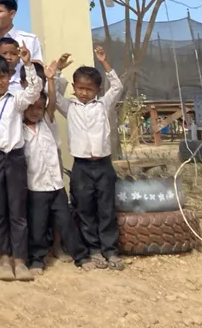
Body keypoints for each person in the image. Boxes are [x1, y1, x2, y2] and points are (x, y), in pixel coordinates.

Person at [53, 46, 125, 270]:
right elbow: (52, 95)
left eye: (89, 89)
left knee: (106, 209)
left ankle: (110, 250)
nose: (84, 93)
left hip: (103, 165)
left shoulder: (103, 105)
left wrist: (104, 63)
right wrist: (58, 71)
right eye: (80, 88)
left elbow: (118, 87)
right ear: (74, 88)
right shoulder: (69, 107)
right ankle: (94, 250)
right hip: (81, 167)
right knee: (84, 209)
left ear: (97, 90)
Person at [0, 44, 41, 282]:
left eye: (2, 77)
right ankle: (4, 258)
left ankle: (20, 261)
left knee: (18, 211)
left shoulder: (16, 100)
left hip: (15, 157)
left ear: (9, 76)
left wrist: (28, 64)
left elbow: (35, 90)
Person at [25, 61, 92, 275]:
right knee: (37, 226)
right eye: (31, 107)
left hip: (55, 185)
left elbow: (52, 101)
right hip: (35, 188)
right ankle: (37, 259)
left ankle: (80, 256)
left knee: (66, 223)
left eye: (39, 107)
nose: (36, 111)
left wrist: (51, 79)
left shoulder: (47, 120)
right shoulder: (18, 128)